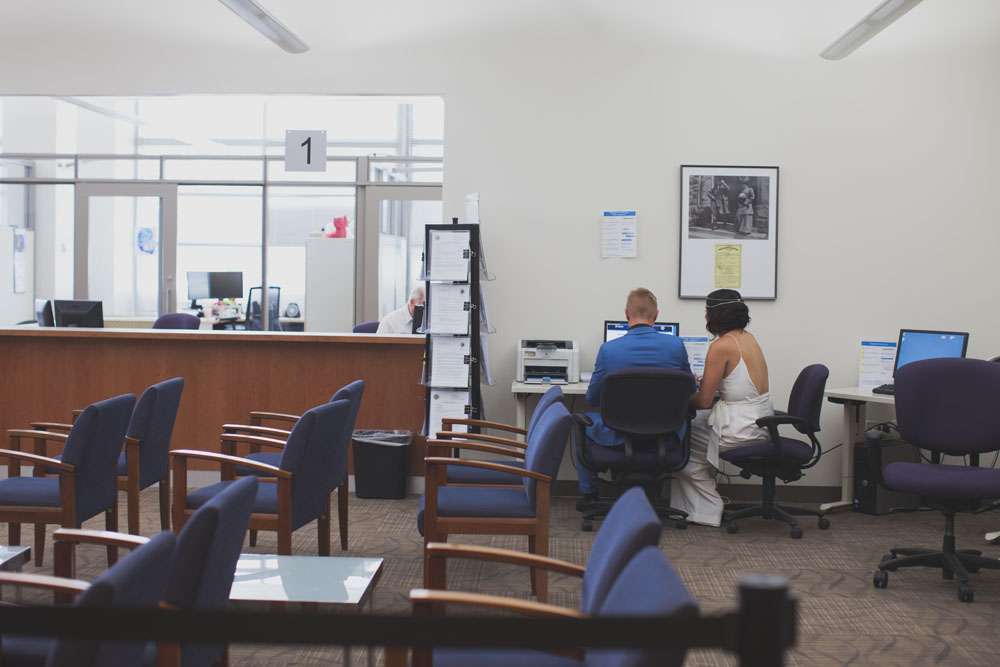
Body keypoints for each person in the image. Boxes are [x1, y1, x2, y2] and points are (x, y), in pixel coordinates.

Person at [576, 288, 691, 503]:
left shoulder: (609, 350)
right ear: (656, 315)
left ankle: (589, 495)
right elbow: (690, 391)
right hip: (665, 434)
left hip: (618, 434)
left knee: (581, 421)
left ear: (626, 314)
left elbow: (592, 399)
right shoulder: (676, 346)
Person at [671, 289, 773, 527]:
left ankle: (708, 508)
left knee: (677, 437)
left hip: (740, 429)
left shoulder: (721, 346)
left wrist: (678, 400)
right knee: (695, 431)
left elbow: (704, 401)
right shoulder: (748, 338)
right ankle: (694, 507)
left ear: (713, 315)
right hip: (758, 421)